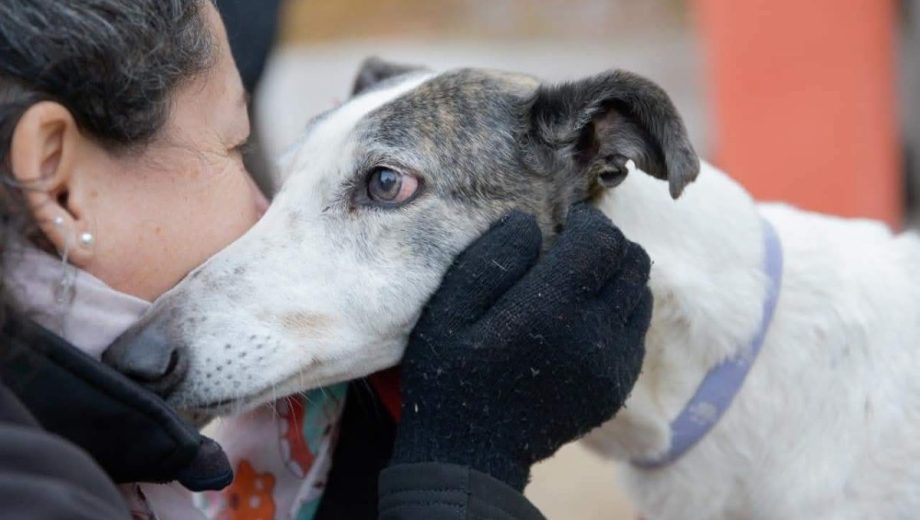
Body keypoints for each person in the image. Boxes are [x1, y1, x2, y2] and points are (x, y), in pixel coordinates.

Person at [0, 1, 653, 519]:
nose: (262, 209)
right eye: (233, 144)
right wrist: (465, 465)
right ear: (57, 179)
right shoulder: (31, 488)